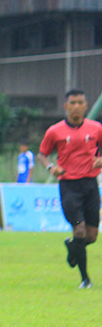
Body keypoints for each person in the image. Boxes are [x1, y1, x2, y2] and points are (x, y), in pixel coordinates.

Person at [37, 88, 102, 289]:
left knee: (91, 236)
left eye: (80, 103)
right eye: (72, 103)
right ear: (66, 106)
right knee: (80, 230)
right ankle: (85, 280)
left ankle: (72, 247)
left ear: (85, 106)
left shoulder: (96, 128)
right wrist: (51, 167)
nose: (76, 106)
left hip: (91, 185)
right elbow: (43, 154)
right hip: (69, 186)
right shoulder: (54, 131)